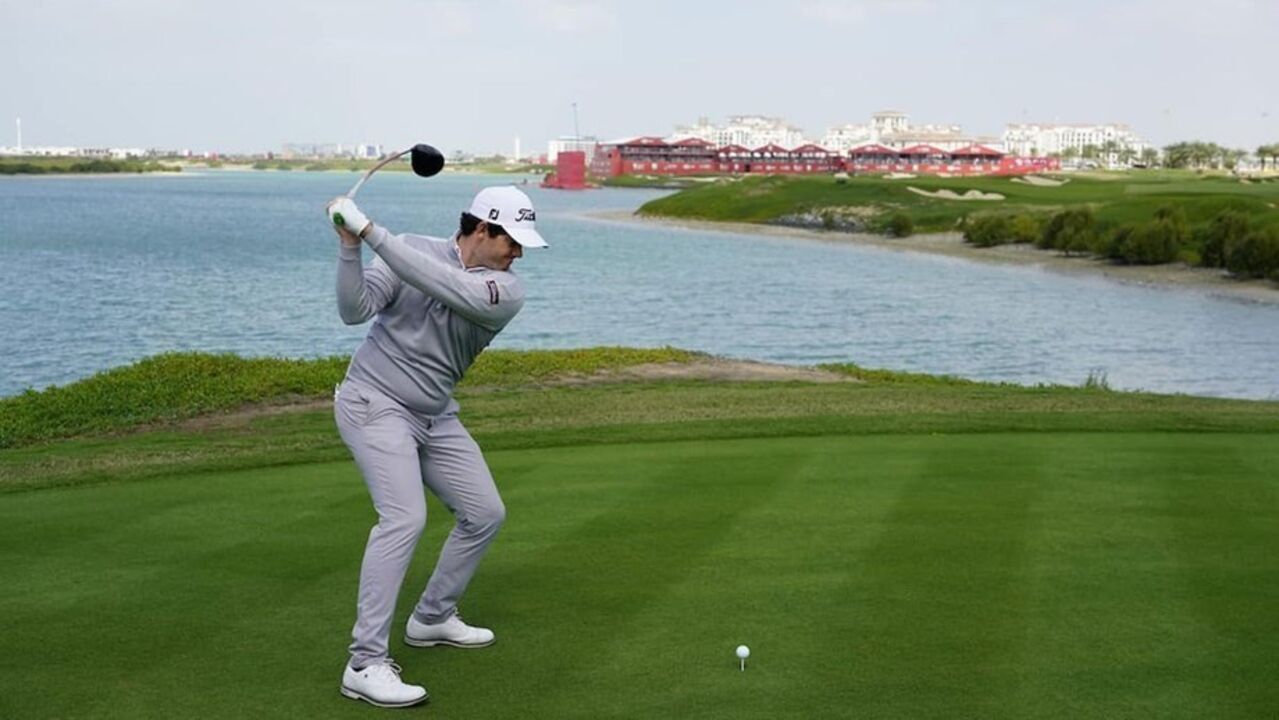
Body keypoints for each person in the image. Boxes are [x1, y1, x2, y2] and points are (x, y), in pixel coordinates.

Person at [324, 186, 547, 708]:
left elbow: (446, 285)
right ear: (482, 229)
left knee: (484, 512)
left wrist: (370, 231)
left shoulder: (505, 292)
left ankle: (431, 617)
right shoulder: (410, 247)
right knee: (404, 518)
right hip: (373, 402)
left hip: (434, 414)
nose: (518, 253)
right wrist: (350, 247)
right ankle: (364, 663)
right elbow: (354, 310)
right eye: (512, 241)